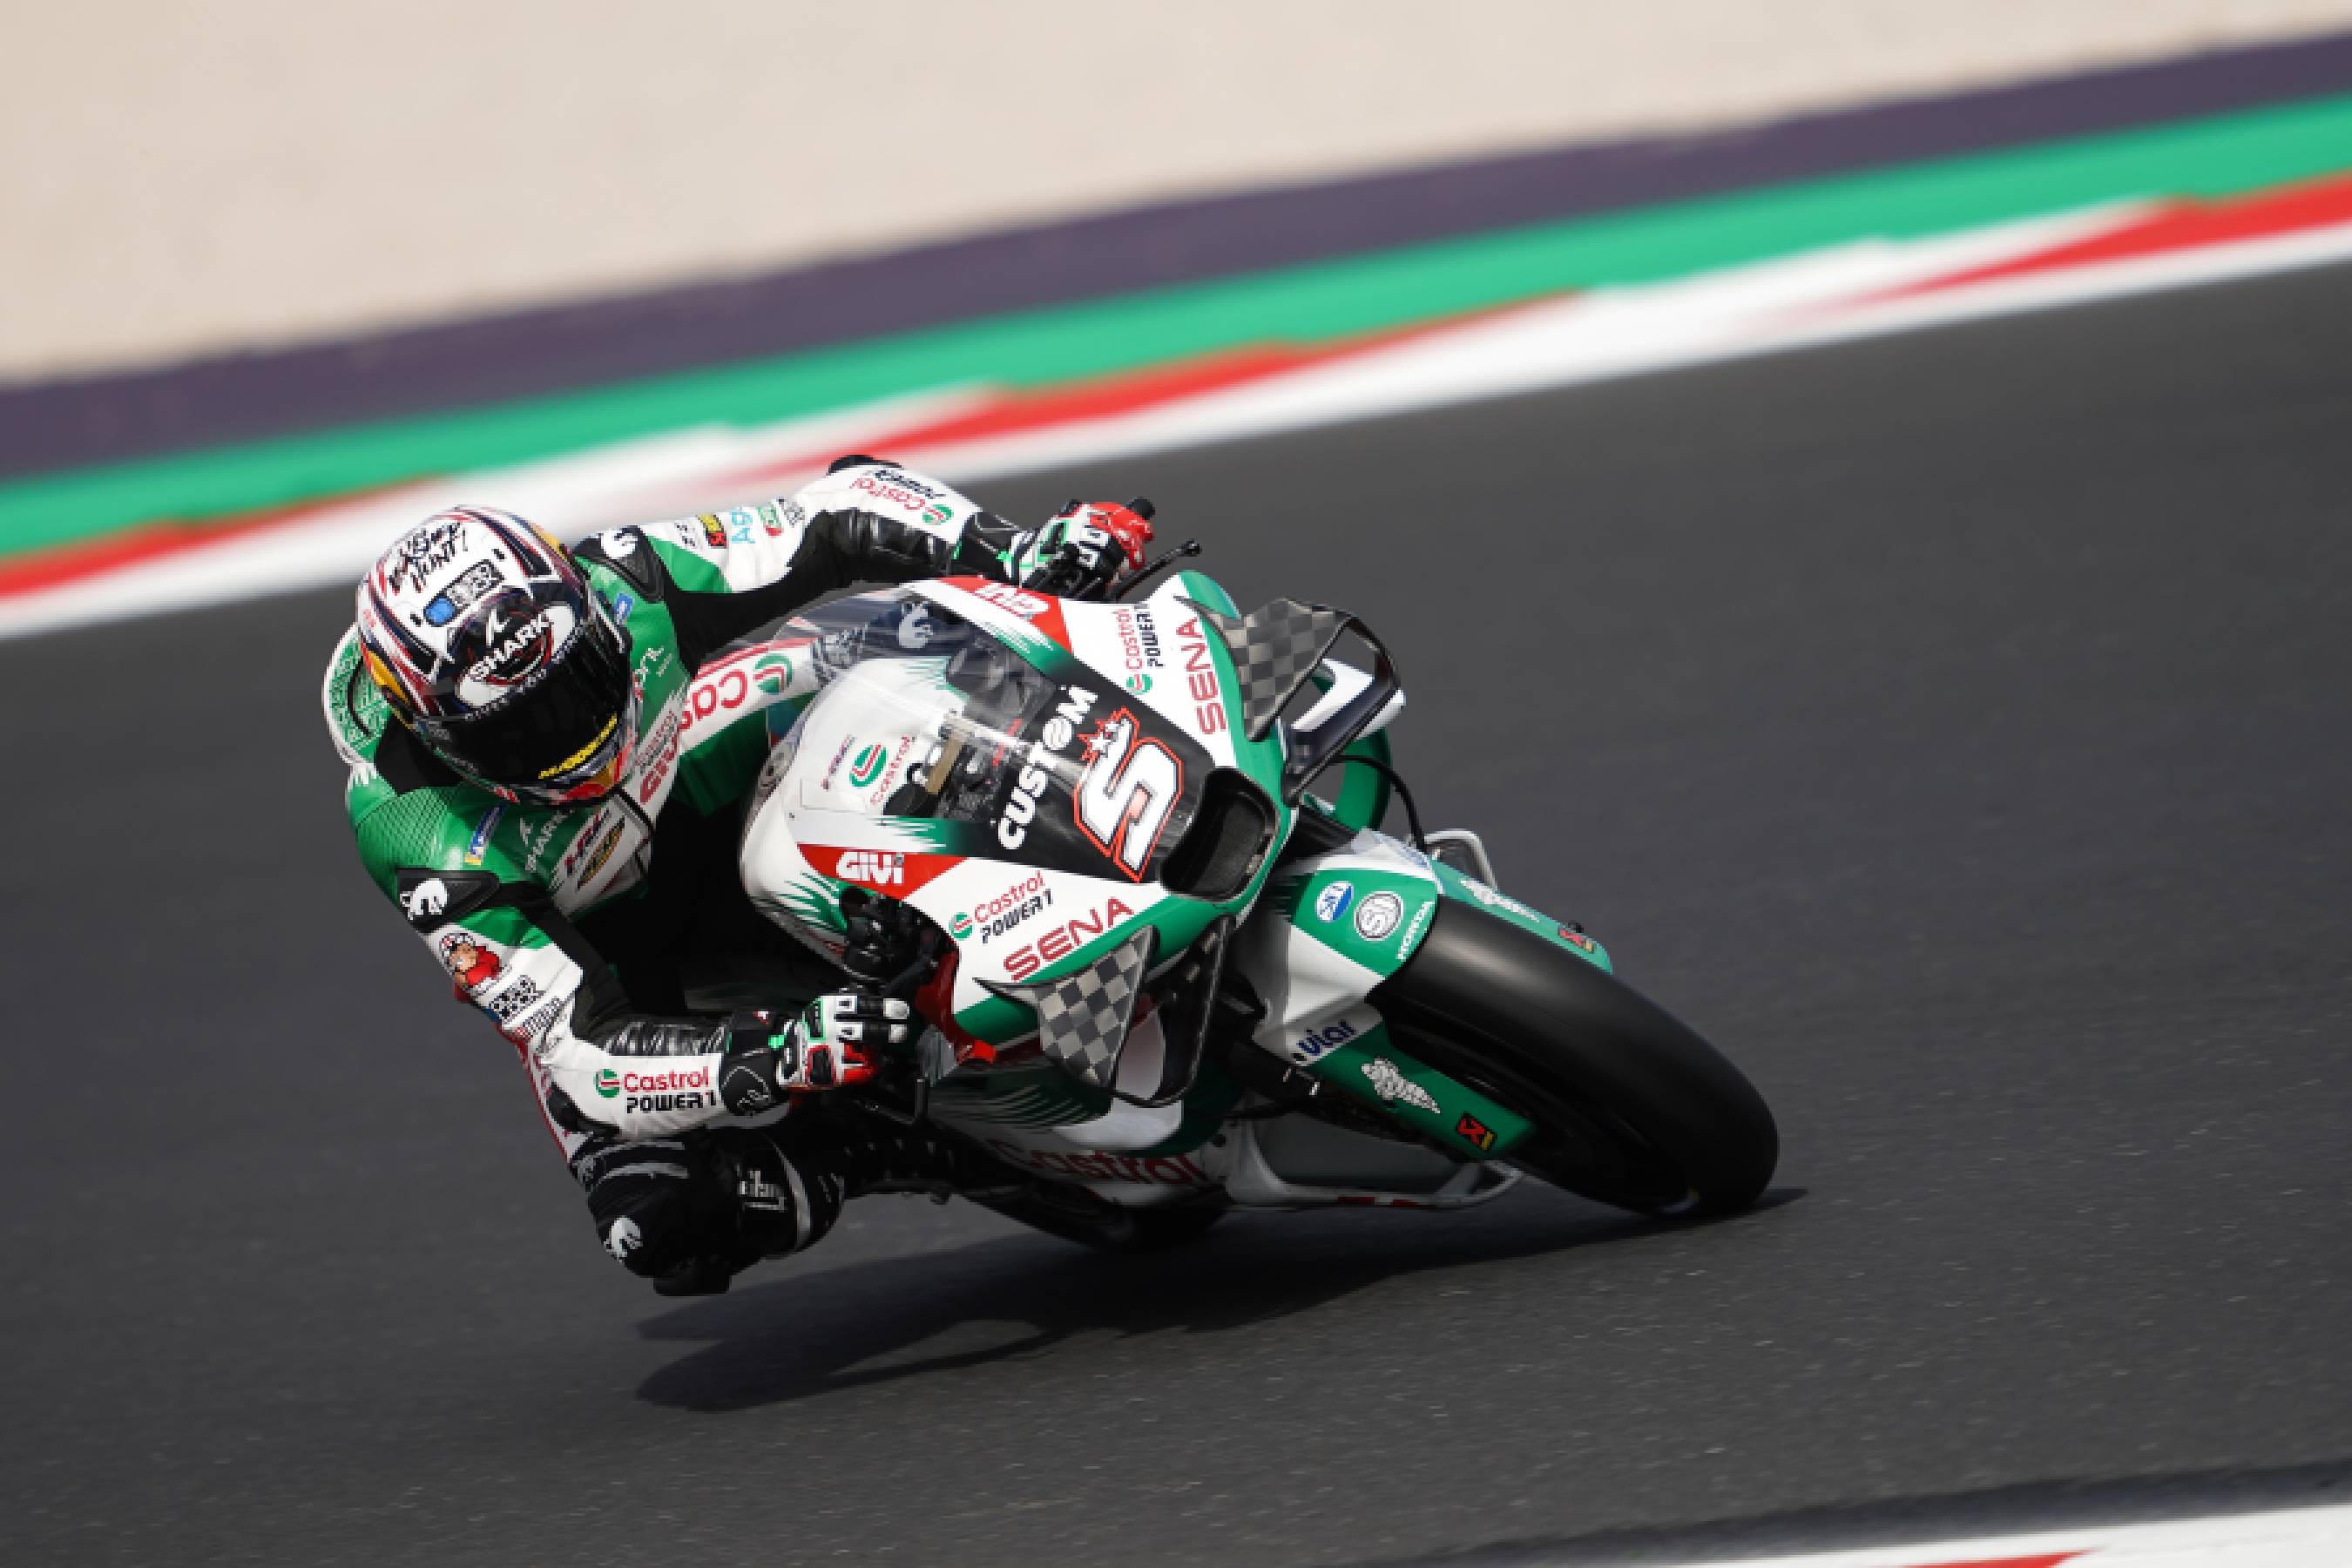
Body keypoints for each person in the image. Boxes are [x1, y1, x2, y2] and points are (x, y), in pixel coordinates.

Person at [324, 456, 1155, 1294]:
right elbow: (578, 1049)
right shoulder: (414, 830)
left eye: (577, 683)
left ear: (584, 608)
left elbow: (839, 506)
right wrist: (782, 1054)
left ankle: (1117, 787)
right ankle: (894, 1145)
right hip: (632, 970)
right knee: (652, 1223)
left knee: (925, 638)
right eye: (520, 730)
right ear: (436, 736)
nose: (570, 736)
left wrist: (1015, 549)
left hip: (743, 788)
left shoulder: (630, 577)